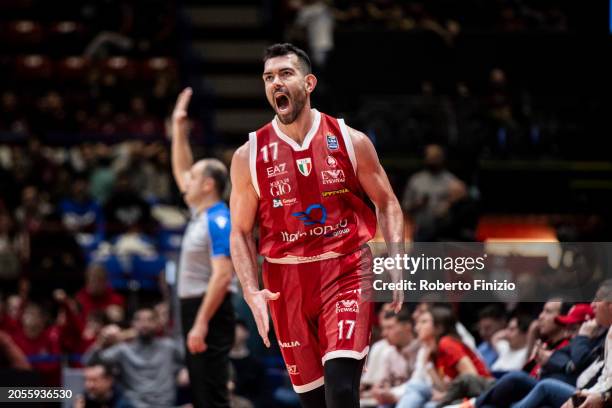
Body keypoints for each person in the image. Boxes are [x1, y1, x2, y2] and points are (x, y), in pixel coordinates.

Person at [228, 43, 404, 408]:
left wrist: (395, 258)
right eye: (268, 77)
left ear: (308, 83)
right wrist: (251, 289)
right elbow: (241, 231)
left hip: (346, 272)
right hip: (285, 283)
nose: (276, 82)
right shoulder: (249, 156)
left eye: (285, 74)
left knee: (341, 391)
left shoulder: (350, 140)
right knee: (313, 400)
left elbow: (386, 202)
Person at [170, 89, 237, 408]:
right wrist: (178, 130)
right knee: (201, 394)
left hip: (209, 309)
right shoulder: (202, 214)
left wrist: (200, 322)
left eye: (195, 178)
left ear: (208, 185)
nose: (187, 182)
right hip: (195, 307)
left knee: (212, 395)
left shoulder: (220, 219)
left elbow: (223, 276)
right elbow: (182, 170)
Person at [84, 307, 184, 408]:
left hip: (165, 405)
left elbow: (191, 361)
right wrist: (101, 341)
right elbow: (88, 362)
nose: (145, 324)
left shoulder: (169, 347)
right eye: (139, 320)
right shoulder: (123, 350)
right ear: (133, 324)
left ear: (158, 323)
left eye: (150, 320)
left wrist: (184, 370)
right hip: (134, 405)